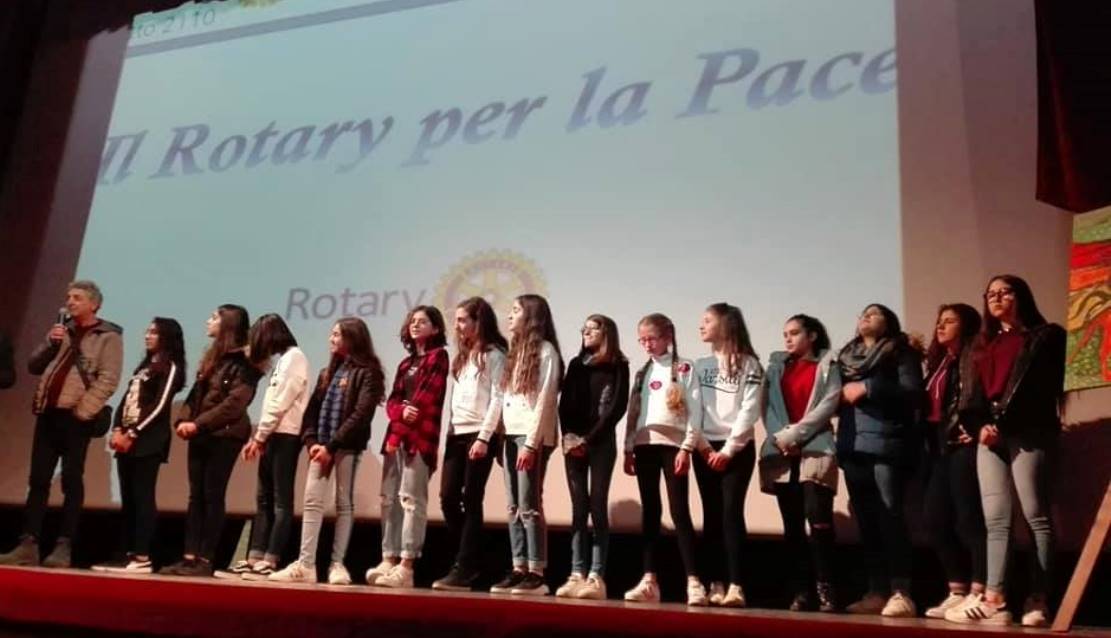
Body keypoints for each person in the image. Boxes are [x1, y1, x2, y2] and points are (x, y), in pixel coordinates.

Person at [949, 276, 1066, 627]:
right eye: (991, 294)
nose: (997, 298)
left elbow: (1042, 388)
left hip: (1029, 430)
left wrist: (1005, 423)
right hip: (989, 435)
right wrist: (980, 426)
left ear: (1021, 296)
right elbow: (970, 395)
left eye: (1005, 292)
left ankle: (1038, 598)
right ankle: (995, 600)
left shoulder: (1046, 336)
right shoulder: (980, 342)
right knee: (996, 519)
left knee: (1035, 514)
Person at [0, 280, 123, 568]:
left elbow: (109, 379)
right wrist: (50, 343)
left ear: (94, 304)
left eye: (77, 298)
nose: (70, 302)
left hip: (76, 418)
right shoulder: (61, 329)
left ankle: (63, 546)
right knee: (38, 480)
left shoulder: (108, 337)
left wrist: (83, 411)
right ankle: (28, 544)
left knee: (71, 480)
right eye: (69, 297)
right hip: (48, 413)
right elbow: (34, 365)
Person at [269, 317, 385, 585]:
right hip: (320, 448)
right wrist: (312, 443)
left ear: (352, 338)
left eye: (337, 335)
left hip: (346, 448)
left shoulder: (368, 372)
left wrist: (332, 446)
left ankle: (337, 564)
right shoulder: (326, 373)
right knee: (312, 502)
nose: (331, 339)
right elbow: (311, 412)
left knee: (343, 504)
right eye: (332, 334)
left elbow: (361, 414)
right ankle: (306, 564)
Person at [161, 305, 262, 577]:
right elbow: (196, 393)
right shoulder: (213, 358)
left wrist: (198, 423)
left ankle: (205, 559)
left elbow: (234, 404)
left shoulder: (246, 364)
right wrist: (183, 419)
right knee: (196, 496)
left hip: (225, 434)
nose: (208, 321)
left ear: (228, 324)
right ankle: (189, 557)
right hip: (201, 433)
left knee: (212, 495)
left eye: (215, 317)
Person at [836, 303, 923, 617]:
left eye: (874, 313)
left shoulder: (900, 352)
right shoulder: (846, 356)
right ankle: (876, 590)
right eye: (863, 313)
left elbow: (913, 393)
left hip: (887, 445)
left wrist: (869, 387)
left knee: (891, 518)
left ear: (889, 322)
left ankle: (901, 592)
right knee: (867, 522)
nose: (866, 317)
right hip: (852, 445)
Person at [759, 314, 841, 613]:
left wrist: (796, 435)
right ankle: (801, 590)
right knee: (792, 526)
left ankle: (826, 587)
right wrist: (782, 437)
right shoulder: (776, 367)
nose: (788, 339)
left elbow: (828, 404)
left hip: (816, 447)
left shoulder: (828, 365)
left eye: (794, 333)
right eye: (785, 334)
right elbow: (767, 407)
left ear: (812, 335)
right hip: (782, 451)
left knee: (818, 519)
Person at [622, 313, 706, 606]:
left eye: (652, 339)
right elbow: (633, 412)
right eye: (642, 340)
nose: (647, 345)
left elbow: (695, 411)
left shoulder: (684, 367)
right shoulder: (642, 372)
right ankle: (649, 581)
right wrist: (628, 448)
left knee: (679, 511)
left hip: (674, 447)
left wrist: (687, 447)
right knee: (650, 512)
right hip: (645, 446)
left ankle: (694, 582)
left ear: (668, 337)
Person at [92, 318, 186, 574]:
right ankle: (126, 553)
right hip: (126, 439)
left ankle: (142, 555)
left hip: (148, 441)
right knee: (129, 498)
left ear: (167, 337)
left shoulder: (171, 367)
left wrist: (133, 432)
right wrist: (117, 428)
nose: (147, 335)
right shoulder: (144, 366)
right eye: (147, 331)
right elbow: (126, 399)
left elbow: (159, 405)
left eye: (154, 332)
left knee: (143, 496)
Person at [221, 314, 310, 580]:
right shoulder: (283, 360)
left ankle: (270, 560)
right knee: (263, 499)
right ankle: (254, 558)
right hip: (272, 434)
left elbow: (280, 403)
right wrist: (260, 436)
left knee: (281, 501)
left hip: (286, 435)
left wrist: (259, 437)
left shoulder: (295, 358)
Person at [368, 306, 450, 589]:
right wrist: (399, 415)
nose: (415, 325)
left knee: (412, 501)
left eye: (422, 321)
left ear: (435, 328)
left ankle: (406, 565)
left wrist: (399, 424)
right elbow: (393, 402)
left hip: (419, 439)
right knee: (389, 499)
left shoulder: (439, 357)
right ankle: (388, 558)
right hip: (396, 438)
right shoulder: (405, 364)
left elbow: (423, 400)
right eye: (413, 321)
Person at [487, 295, 563, 597]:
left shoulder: (546, 352)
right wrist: (490, 435)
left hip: (531, 437)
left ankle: (537, 572)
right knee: (513, 506)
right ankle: (518, 567)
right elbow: (502, 397)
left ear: (531, 316)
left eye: (516, 310)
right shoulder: (515, 352)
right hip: (510, 434)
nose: (509, 315)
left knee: (529, 505)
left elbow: (545, 400)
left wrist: (531, 444)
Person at [431, 297, 508, 592]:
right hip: (457, 433)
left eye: (463, 319)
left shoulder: (494, 355)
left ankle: (464, 567)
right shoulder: (462, 356)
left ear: (479, 321)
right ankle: (477, 558)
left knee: (472, 498)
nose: (458, 325)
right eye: (457, 320)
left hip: (479, 434)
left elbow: (498, 398)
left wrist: (485, 437)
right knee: (448, 497)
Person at [917, 304, 988, 619]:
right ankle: (956, 590)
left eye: (949, 321)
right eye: (939, 321)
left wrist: (975, 427)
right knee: (934, 519)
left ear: (967, 326)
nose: (941, 326)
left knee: (969, 519)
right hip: (939, 447)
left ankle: (979, 590)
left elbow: (980, 398)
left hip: (964, 446)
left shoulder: (973, 357)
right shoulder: (940, 362)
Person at [553, 314, 629, 600]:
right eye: (583, 328)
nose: (585, 332)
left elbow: (616, 408)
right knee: (578, 508)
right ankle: (576, 573)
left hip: (600, 445)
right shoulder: (576, 364)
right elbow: (564, 406)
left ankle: (596, 576)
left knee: (597, 506)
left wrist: (589, 439)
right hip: (573, 444)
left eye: (592, 329)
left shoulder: (618, 364)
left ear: (606, 332)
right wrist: (570, 438)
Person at [692, 303, 763, 607]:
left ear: (726, 324)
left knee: (731, 513)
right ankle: (715, 582)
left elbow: (749, 410)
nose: (701, 325)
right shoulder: (700, 365)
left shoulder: (750, 365)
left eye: (707, 320)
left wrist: (729, 449)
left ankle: (737, 584)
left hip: (737, 449)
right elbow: (692, 408)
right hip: (705, 448)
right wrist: (704, 446)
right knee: (711, 515)